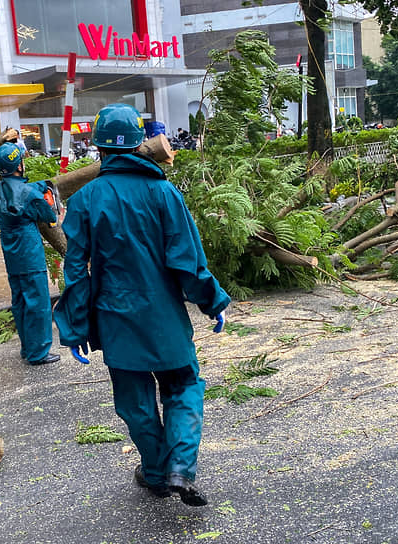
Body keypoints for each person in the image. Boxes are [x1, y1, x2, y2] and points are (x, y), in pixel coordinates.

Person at [53, 104, 230, 507]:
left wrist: (76, 327)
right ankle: (180, 469)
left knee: (135, 403)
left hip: (116, 319)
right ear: (139, 144)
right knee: (183, 386)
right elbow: (187, 260)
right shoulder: (164, 192)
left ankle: (154, 472)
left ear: (97, 147)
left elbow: (76, 271)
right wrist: (212, 300)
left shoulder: (84, 201)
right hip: (164, 315)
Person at [0, 143, 61, 366]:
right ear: (18, 165)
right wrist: (48, 198)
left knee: (20, 301)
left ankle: (27, 347)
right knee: (38, 303)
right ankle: (39, 352)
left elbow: (15, 190)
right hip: (30, 253)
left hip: (12, 254)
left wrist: (37, 187)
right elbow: (50, 216)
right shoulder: (30, 195)